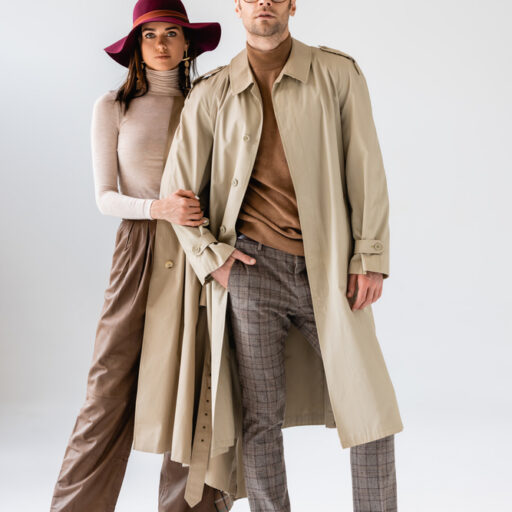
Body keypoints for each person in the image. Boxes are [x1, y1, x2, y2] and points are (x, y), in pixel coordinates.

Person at [135, 0, 404, 510]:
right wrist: (212, 258)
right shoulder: (213, 91)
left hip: (331, 272)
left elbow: (366, 168)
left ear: (292, 5)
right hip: (251, 271)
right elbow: (178, 189)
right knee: (260, 418)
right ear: (238, 7)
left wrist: (369, 256)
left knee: (370, 408)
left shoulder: (337, 74)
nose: (264, 3)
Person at [50, 1, 233, 510]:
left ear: (187, 43)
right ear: (135, 45)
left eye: (171, 33)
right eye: (149, 35)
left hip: (199, 251)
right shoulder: (112, 106)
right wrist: (159, 208)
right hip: (139, 247)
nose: (160, 44)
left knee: (196, 389)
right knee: (108, 386)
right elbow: (105, 197)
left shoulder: (209, 103)